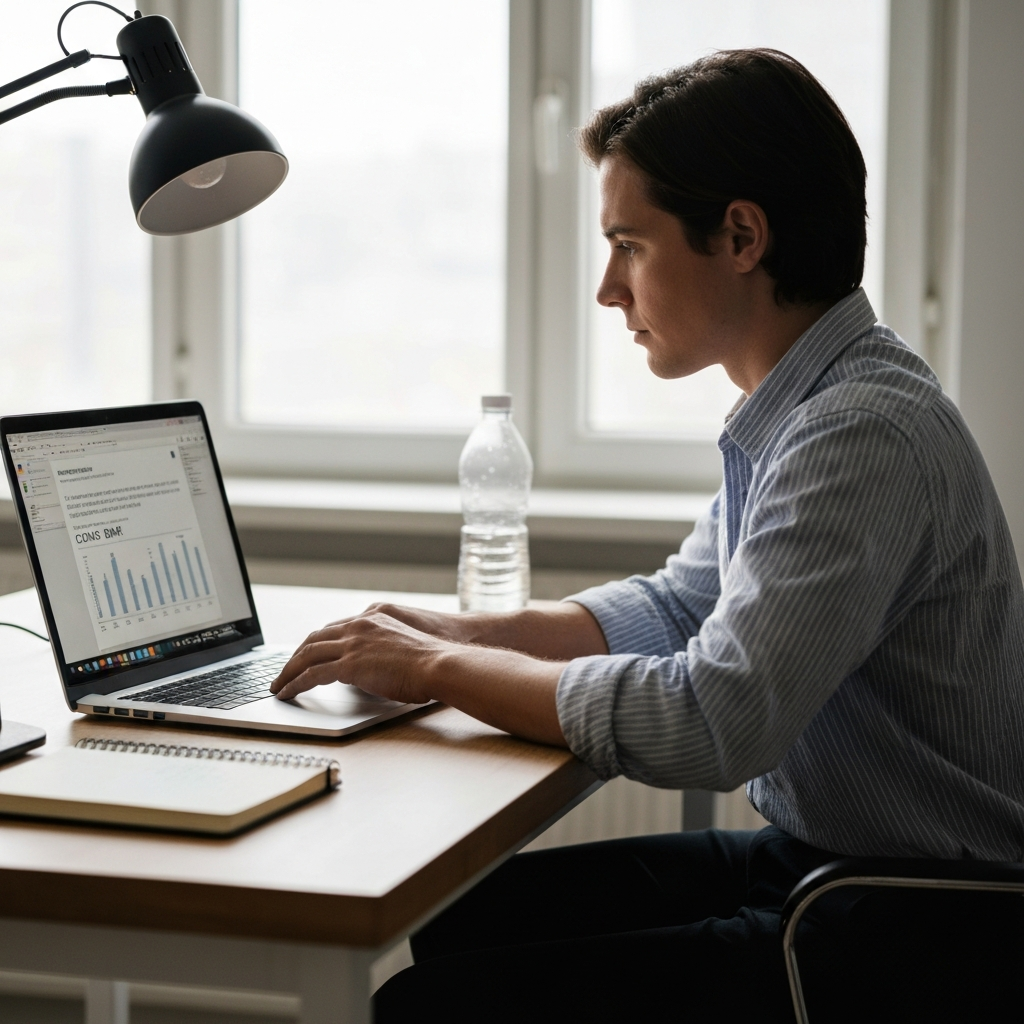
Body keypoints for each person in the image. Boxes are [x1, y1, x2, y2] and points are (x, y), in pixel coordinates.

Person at [272, 49, 1024, 1022]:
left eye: (629, 244)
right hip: (833, 867)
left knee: (438, 1001)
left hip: (918, 922)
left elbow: (712, 719)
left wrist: (433, 670)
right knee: (465, 918)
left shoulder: (859, 433)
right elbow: (675, 607)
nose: (607, 289)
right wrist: (450, 631)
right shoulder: (809, 407)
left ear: (741, 235)